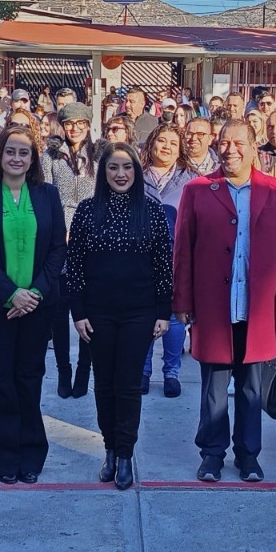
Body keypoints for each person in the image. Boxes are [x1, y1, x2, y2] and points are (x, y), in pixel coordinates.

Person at [174, 120, 276, 483]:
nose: (230, 150)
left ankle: (248, 455)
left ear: (254, 147)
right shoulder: (198, 190)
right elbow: (183, 251)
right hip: (215, 305)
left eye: (239, 143)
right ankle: (212, 454)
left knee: (250, 387)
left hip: (257, 307)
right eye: (224, 143)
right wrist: (182, 300)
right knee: (214, 388)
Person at [66, 143, 172, 489]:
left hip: (139, 313)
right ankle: (109, 448)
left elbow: (163, 265)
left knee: (127, 386)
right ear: (103, 172)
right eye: (113, 167)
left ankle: (125, 453)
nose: (121, 174)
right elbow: (75, 266)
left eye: (127, 167)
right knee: (104, 384)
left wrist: (164, 311)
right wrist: (78, 312)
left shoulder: (151, 211)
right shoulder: (87, 211)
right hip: (98, 313)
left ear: (137, 172)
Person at [0, 126, 67, 484]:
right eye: (11, 151)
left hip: (39, 305)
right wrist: (11, 294)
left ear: (33, 158)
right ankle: (2, 456)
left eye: (24, 152)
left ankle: (31, 453)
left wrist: (34, 293)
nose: (17, 158)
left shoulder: (47, 194)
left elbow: (57, 248)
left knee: (29, 377)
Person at [44, 102, 99, 398]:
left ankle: (83, 369)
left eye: (80, 123)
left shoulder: (100, 154)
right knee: (59, 308)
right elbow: (43, 193)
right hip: (59, 234)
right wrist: (56, 231)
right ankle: (63, 369)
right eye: (69, 124)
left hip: (91, 235)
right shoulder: (51, 156)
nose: (75, 128)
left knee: (87, 308)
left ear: (88, 125)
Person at [140, 123, 197, 397]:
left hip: (178, 259)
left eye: (173, 143)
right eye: (161, 140)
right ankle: (143, 370)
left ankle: (171, 372)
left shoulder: (191, 180)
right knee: (145, 315)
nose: (166, 147)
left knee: (174, 317)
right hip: (141, 259)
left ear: (180, 149)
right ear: (151, 143)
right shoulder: (136, 175)